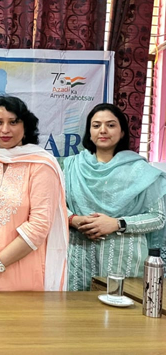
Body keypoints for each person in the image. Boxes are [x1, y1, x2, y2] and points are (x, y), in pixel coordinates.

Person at [0, 96, 68, 292]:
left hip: (21, 269)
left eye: (13, 122)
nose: (5, 130)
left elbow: (39, 225)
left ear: (25, 125)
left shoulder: (41, 164)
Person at [64, 103, 166, 291]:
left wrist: (117, 224)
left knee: (123, 316)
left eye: (111, 125)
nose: (103, 130)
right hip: (79, 257)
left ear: (122, 132)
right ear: (89, 131)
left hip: (124, 259)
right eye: (96, 125)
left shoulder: (142, 172)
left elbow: (159, 217)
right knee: (77, 315)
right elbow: (54, 206)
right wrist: (74, 219)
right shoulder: (70, 167)